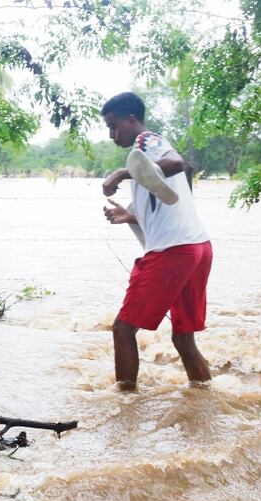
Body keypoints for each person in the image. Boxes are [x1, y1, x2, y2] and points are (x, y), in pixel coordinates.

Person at [100, 92, 213, 390]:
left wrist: (124, 172)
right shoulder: (145, 161)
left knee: (123, 329)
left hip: (173, 251)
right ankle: (206, 399)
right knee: (182, 338)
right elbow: (162, 203)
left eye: (114, 126)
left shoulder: (146, 141)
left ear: (131, 120)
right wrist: (129, 215)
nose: (112, 135)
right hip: (198, 247)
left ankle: (123, 407)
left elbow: (177, 162)